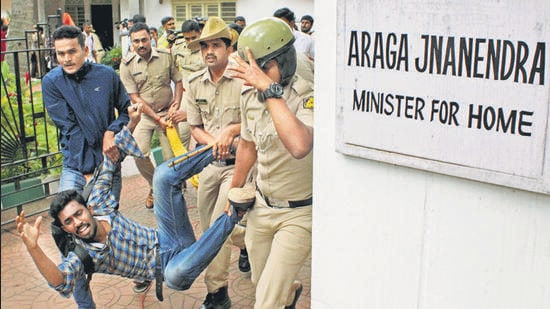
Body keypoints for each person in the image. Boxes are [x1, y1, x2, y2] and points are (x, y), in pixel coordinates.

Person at [15, 106, 241, 308]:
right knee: (175, 275)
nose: (78, 223)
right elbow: (61, 281)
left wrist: (132, 122)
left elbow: (111, 159)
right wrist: (34, 248)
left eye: (78, 214)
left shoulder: (100, 203)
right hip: (170, 266)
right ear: (66, 230)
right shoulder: (85, 256)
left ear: (89, 209)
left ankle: (222, 150)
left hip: (169, 237)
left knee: (161, 176)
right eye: (69, 222)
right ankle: (234, 212)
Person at [227, 17, 314, 308]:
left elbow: (300, 146)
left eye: (262, 67)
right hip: (262, 207)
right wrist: (235, 189)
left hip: (299, 214)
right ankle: (289, 292)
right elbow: (248, 147)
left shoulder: (307, 95)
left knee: (265, 302)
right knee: (261, 282)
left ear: (283, 61)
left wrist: (269, 90)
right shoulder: (250, 94)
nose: (255, 76)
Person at [184, 16, 248, 309]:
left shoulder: (244, 80)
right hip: (209, 164)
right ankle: (249, 241)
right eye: (204, 46)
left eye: (215, 45)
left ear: (228, 46)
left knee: (216, 228)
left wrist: (231, 132)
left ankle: (217, 293)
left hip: (239, 164)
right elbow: (194, 127)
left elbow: (255, 122)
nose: (209, 51)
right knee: (214, 226)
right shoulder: (195, 83)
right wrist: (214, 142)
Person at [120, 22, 184, 209]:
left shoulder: (166, 56)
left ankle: (173, 187)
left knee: (171, 157)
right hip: (145, 116)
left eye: (144, 40)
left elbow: (178, 81)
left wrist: (177, 103)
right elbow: (134, 97)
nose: (141, 45)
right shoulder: (127, 66)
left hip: (168, 113)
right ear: (131, 43)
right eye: (136, 41)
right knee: (138, 151)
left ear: (152, 38)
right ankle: (155, 186)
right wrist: (157, 119)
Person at [172, 19, 206, 150]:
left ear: (200, 33)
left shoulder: (207, 48)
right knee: (182, 132)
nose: (190, 41)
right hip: (187, 94)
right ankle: (183, 164)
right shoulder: (178, 47)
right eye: (187, 38)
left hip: (204, 93)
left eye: (194, 38)